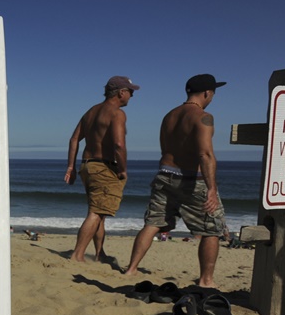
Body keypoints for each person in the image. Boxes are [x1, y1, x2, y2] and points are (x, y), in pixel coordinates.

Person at [124, 74, 228, 287]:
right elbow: (205, 154)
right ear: (207, 93)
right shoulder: (203, 117)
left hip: (164, 175)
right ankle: (206, 280)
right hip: (192, 179)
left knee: (153, 223)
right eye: (213, 93)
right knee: (211, 229)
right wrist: (211, 188)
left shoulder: (169, 115)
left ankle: (131, 269)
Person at [64, 75, 138, 262]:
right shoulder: (117, 113)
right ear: (121, 92)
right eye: (130, 92)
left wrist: (71, 167)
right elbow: (119, 144)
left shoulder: (91, 111)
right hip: (104, 167)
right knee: (96, 213)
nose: (131, 96)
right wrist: (122, 170)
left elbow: (74, 139)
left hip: (87, 166)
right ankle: (78, 254)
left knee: (100, 213)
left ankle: (99, 253)